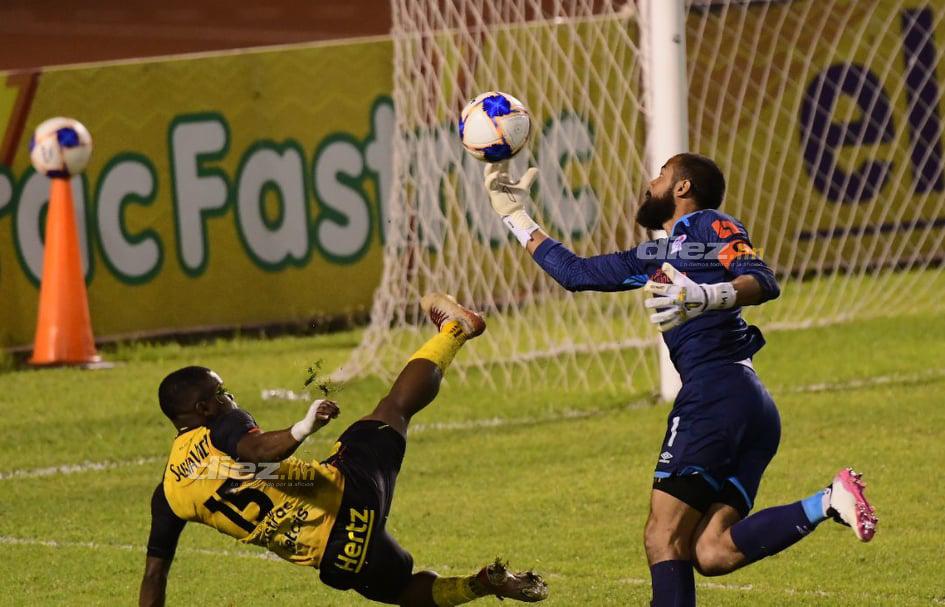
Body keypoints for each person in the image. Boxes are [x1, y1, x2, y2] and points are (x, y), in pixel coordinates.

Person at [482, 153, 877, 606]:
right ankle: (828, 500)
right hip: (750, 408)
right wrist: (516, 216)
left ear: (683, 187)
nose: (650, 184)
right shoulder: (655, 255)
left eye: (661, 176)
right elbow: (575, 273)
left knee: (662, 536)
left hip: (716, 396)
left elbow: (762, 279)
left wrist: (707, 295)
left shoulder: (710, 226)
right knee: (711, 551)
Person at [138, 293, 549, 607]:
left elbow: (154, 576)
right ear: (203, 408)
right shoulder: (220, 424)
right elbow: (256, 450)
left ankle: (482, 584)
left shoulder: (169, 495)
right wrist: (302, 427)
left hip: (341, 555)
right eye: (222, 392)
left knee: (403, 590)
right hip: (350, 489)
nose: (229, 397)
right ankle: (456, 329)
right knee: (394, 409)